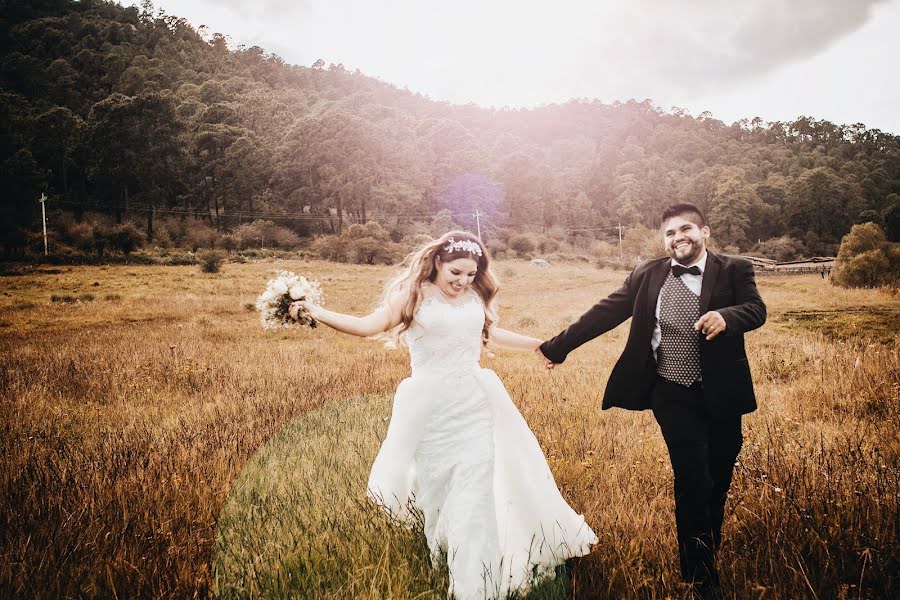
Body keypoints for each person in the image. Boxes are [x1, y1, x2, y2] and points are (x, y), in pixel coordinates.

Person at [290, 231, 597, 600]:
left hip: (475, 401)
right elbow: (365, 326)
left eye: (471, 274)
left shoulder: (473, 297)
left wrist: (541, 346)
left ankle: (475, 585)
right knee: (439, 492)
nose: (463, 281)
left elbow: (491, 335)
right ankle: (449, 555)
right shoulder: (413, 296)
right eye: (457, 272)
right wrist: (314, 310)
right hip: (430, 410)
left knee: (476, 487)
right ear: (437, 262)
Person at [537, 204, 766, 597]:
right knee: (693, 480)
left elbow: (756, 309)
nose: (678, 237)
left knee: (718, 481)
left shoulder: (734, 269)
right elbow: (604, 313)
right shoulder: (647, 273)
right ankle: (699, 579)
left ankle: (707, 547)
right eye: (670, 233)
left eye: (686, 229)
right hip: (671, 392)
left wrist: (728, 316)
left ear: (705, 232)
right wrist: (558, 347)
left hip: (722, 392)